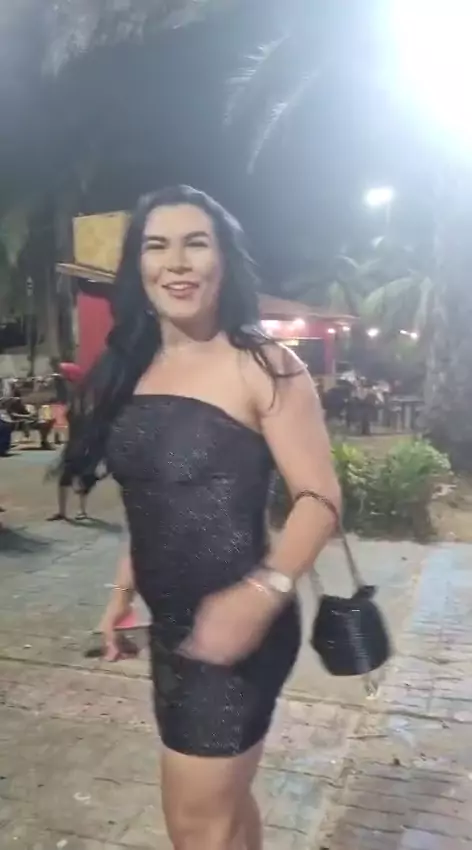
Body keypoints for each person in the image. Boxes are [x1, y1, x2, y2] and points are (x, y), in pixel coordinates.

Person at [63, 186, 341, 850]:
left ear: (224, 261)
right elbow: (151, 499)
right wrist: (122, 594)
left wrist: (262, 593)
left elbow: (321, 498)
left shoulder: (264, 365)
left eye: (196, 244)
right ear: (138, 266)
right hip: (174, 630)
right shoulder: (132, 368)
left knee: (197, 826)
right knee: (224, 812)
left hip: (244, 627)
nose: (177, 264)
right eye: (157, 247)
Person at [48, 366, 97, 521]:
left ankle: (82, 510)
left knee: (81, 477)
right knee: (65, 478)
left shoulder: (84, 400)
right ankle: (62, 511)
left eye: (67, 381)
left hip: (83, 445)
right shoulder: (73, 399)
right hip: (72, 444)